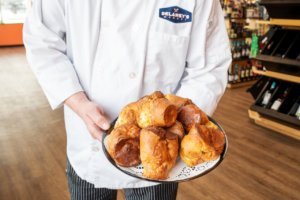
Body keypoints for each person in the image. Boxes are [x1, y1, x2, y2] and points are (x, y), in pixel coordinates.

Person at [23, 0, 231, 199]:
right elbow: (42, 41)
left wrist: (181, 127)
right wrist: (77, 101)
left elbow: (210, 66)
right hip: (88, 143)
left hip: (162, 155)